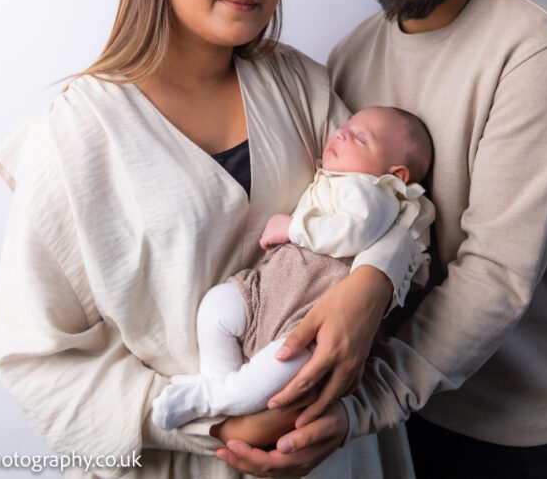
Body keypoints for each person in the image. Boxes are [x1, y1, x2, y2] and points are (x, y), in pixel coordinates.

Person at [0, 0, 427, 478]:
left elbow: (400, 211)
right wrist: (218, 424)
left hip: (331, 443)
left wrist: (370, 287)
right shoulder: (81, 131)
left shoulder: (299, 85)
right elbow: (36, 357)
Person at [221, 0, 547, 479]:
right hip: (393, 416)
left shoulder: (537, 54)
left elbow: (495, 276)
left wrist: (362, 402)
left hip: (517, 428)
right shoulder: (347, 60)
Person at [150, 107, 434, 434]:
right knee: (216, 306)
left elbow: (355, 231)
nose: (341, 134)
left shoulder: (374, 193)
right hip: (267, 290)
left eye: (359, 138)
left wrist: (293, 228)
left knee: (279, 372)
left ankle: (211, 398)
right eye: (345, 127)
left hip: (307, 316)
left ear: (395, 175)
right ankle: (218, 380)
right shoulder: (332, 180)